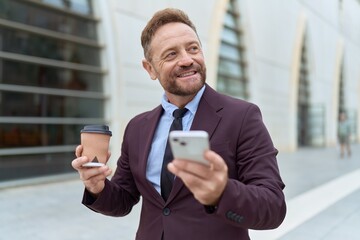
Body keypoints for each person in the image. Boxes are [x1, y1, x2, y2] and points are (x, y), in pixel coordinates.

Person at [71, 8, 286, 240]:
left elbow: (273, 207)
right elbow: (123, 199)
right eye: (171, 54)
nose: (187, 60)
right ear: (150, 68)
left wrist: (221, 192)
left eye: (193, 48)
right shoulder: (137, 127)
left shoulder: (243, 117)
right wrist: (97, 186)